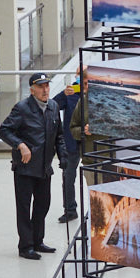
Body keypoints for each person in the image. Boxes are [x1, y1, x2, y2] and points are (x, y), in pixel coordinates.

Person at [0, 72, 67, 259]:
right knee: (24, 206)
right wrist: (20, 145)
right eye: (41, 86)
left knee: (43, 205)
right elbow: (3, 130)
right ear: (32, 90)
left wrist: (63, 156)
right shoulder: (22, 108)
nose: (45, 90)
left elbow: (58, 135)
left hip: (44, 167)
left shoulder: (53, 106)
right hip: (25, 168)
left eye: (47, 86)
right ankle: (25, 246)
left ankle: (38, 240)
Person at [53, 72, 83, 223]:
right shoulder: (69, 93)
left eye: (82, 73)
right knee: (68, 176)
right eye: (77, 73)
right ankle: (70, 210)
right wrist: (62, 94)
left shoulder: (96, 92)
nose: (78, 76)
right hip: (72, 142)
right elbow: (53, 106)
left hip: (92, 143)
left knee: (96, 176)